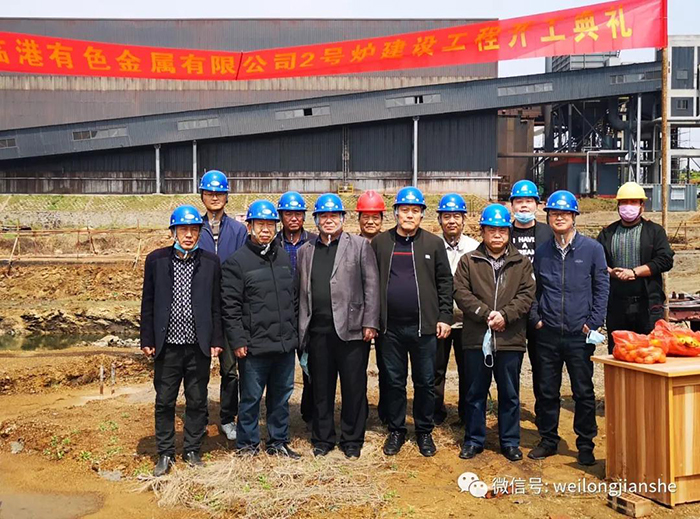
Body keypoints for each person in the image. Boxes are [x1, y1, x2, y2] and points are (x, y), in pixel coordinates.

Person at [140, 205, 223, 476]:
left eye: (194, 230)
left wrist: (216, 339)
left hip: (198, 345)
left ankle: (191, 450)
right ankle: (165, 452)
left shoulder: (210, 262)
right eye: (183, 230)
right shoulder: (156, 261)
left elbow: (216, 305)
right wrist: (147, 338)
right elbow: (148, 302)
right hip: (168, 346)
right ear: (173, 232)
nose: (188, 235)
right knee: (165, 401)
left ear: (200, 233)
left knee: (197, 400)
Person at [528, 190, 609, 466]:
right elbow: (534, 289)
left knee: (583, 391)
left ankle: (585, 444)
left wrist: (593, 323)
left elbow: (602, 288)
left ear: (574, 217)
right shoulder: (542, 252)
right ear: (548, 217)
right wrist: (536, 319)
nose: (559, 218)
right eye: (554, 214)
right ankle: (548, 440)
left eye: (565, 214)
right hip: (548, 333)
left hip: (579, 334)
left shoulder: (592, 249)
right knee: (546, 390)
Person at [372, 186, 453, 457]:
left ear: (422, 215)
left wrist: (444, 316)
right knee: (394, 381)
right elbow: (371, 283)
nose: (409, 215)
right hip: (390, 329)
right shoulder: (381, 243)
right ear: (395, 213)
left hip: (424, 328)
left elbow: (445, 282)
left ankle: (424, 431)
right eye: (404, 210)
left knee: (425, 381)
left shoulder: (433, 243)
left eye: (415, 211)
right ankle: (396, 429)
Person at [297, 193, 380, 458]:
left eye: (334, 215)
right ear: (316, 220)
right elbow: (302, 292)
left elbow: (371, 286)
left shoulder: (359, 246)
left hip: (352, 330)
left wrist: (370, 322)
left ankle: (352, 440)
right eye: (324, 216)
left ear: (343, 218)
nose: (329, 220)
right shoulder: (305, 251)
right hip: (318, 332)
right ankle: (323, 439)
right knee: (321, 388)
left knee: (353, 387)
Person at [453, 204, 535, 462]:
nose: (497, 235)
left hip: (510, 338)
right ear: (483, 232)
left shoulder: (521, 263)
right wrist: (485, 313)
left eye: (502, 230)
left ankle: (509, 441)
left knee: (509, 394)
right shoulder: (469, 261)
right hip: (477, 338)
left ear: (509, 232)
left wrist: (505, 316)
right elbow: (461, 293)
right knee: (475, 392)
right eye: (491, 230)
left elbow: (527, 295)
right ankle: (473, 440)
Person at [220, 200, 300, 458]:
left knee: (281, 397)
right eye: (260, 224)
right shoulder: (237, 263)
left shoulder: (283, 258)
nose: (265, 230)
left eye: (270, 225)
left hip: (283, 344)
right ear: (249, 226)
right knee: (251, 399)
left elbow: (293, 299)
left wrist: (293, 335)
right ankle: (247, 445)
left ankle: (278, 442)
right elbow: (230, 307)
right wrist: (238, 341)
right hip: (254, 347)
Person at [197, 169, 248, 443]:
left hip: (229, 309)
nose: (215, 197)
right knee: (198, 368)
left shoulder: (238, 231)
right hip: (201, 309)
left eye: (219, 193)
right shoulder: (194, 227)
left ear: (227, 196)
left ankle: (228, 417)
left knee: (230, 369)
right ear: (202, 196)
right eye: (209, 193)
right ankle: (199, 417)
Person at [597, 182, 674, 354]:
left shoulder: (654, 231)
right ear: (618, 206)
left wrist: (635, 272)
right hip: (617, 306)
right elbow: (596, 262)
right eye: (624, 202)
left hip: (648, 306)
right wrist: (611, 272)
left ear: (642, 206)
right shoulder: (607, 233)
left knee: (650, 353)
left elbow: (665, 260)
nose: (628, 206)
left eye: (633, 202)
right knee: (620, 352)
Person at [508, 179, 553, 431]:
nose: (524, 206)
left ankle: (543, 413)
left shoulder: (548, 233)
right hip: (512, 307)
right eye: (519, 201)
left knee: (541, 364)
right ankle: (510, 412)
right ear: (511, 205)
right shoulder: (503, 231)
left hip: (541, 307)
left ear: (537, 204)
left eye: (529, 201)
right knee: (511, 365)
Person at [433, 193, 478, 426]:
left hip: (467, 321)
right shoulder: (432, 246)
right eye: (447, 216)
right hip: (440, 320)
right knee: (436, 369)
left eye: (456, 216)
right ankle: (435, 412)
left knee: (468, 370)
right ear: (439, 219)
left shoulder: (474, 248)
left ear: (464, 219)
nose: (452, 221)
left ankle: (466, 414)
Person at [274, 191, 318, 429]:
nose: (293, 218)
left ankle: (310, 413)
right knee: (281, 370)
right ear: (281, 216)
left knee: (311, 366)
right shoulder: (273, 243)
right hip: (280, 313)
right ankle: (279, 416)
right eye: (288, 213)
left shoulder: (314, 242)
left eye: (298, 214)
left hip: (307, 312)